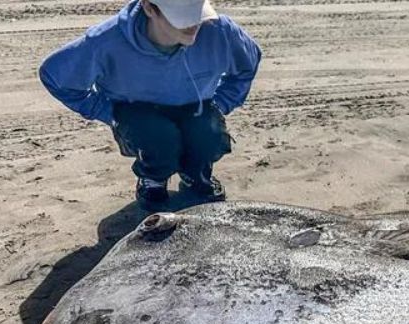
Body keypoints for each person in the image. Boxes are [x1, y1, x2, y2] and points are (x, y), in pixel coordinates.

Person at [39, 0, 261, 209]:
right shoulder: (106, 41)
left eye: (197, 10)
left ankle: (196, 175)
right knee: (158, 138)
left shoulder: (220, 31)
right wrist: (109, 113)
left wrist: (221, 104)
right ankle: (153, 179)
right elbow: (54, 76)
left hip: (196, 107)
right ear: (149, 8)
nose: (194, 23)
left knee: (208, 134)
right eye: (182, 15)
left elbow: (248, 64)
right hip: (138, 113)